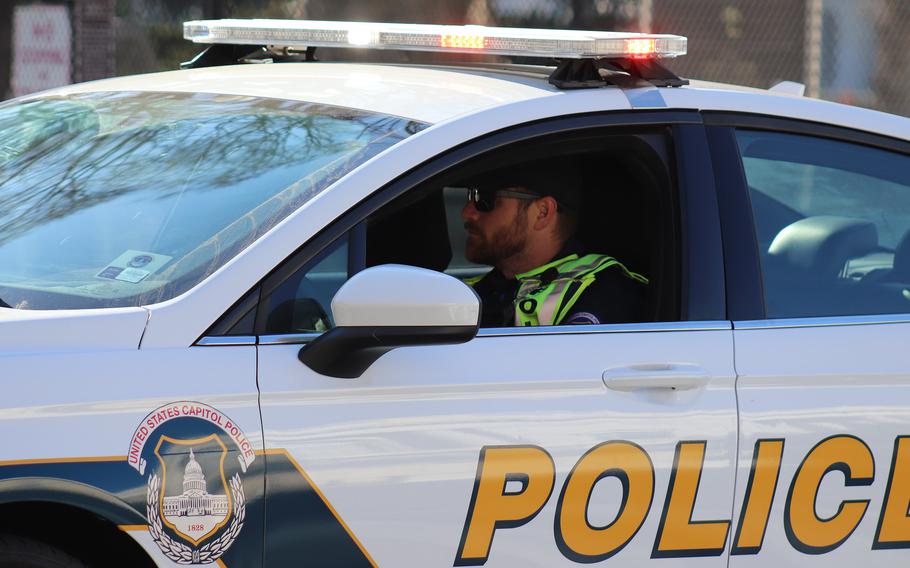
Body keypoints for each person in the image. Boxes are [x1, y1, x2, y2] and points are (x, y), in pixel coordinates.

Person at [460, 163, 649, 327]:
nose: (466, 213)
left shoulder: (605, 294)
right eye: (470, 196)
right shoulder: (469, 291)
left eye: (483, 199)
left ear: (543, 212)